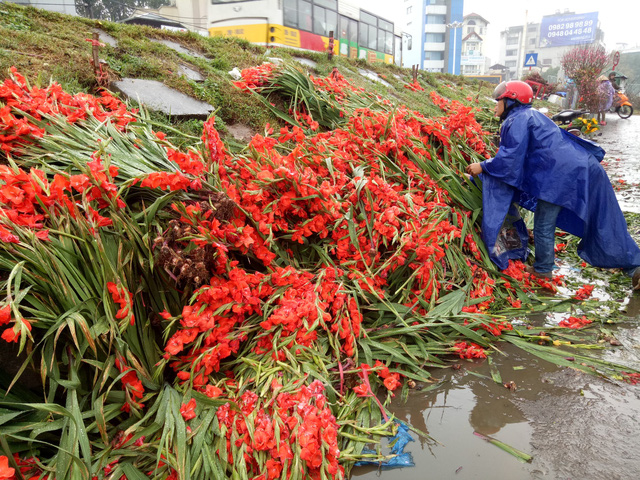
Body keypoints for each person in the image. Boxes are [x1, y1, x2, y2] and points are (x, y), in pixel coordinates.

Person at [465, 80, 640, 290]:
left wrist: (482, 166)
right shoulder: (530, 115)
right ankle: (632, 266)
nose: (495, 105)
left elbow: (509, 161)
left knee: (544, 224)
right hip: (583, 168)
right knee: (602, 219)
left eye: (499, 101)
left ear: (512, 101)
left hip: (564, 174)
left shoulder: (517, 120)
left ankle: (544, 270)